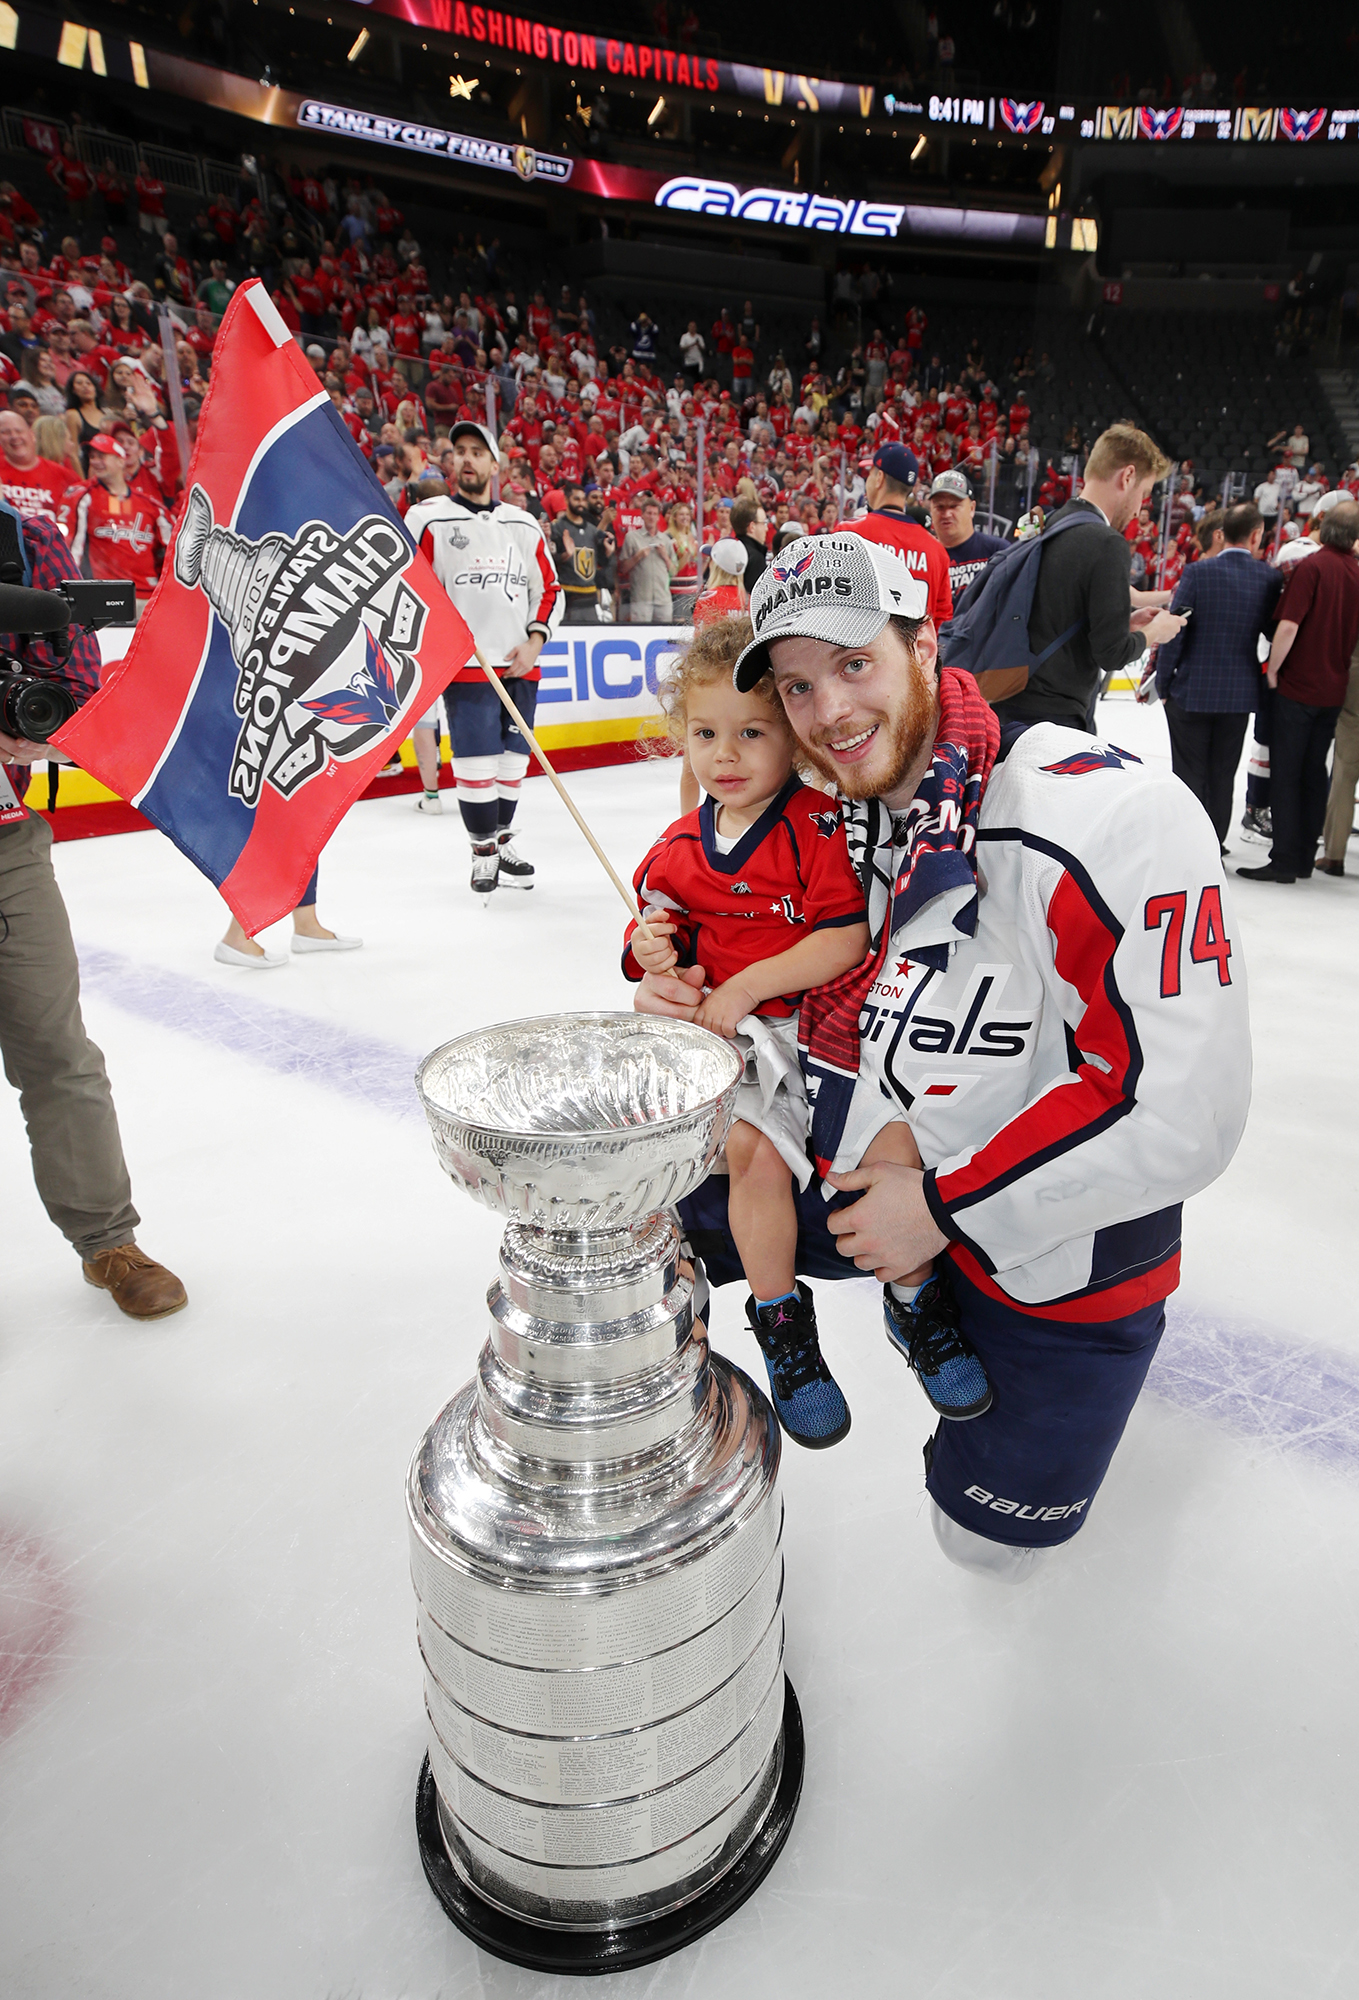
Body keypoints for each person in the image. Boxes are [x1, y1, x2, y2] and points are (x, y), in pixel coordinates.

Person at [636, 530, 1249, 1583]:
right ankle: (869, 1303)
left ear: (926, 644)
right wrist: (689, 979)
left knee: (986, 1543)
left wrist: (946, 1205)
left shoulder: (1111, 813)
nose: (826, 712)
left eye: (854, 663)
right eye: (795, 687)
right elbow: (805, 966)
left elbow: (1182, 1115)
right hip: (881, 1173)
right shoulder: (843, 818)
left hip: (1052, 1247)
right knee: (631, 1227)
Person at [625, 614, 988, 1446]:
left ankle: (913, 1300)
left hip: (825, 1023)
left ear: (792, 740)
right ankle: (783, 1324)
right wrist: (653, 955)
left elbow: (843, 938)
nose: (725, 755)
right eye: (705, 734)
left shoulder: (814, 828)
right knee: (750, 1158)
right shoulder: (678, 846)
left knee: (889, 1145)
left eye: (751, 733)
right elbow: (656, 932)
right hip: (741, 1041)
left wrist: (747, 983)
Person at [0, 501, 187, 1319]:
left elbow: (76, 686)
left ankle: (107, 1240)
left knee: (57, 1050)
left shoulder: (20, 535)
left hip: (5, 844)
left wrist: (42, 730)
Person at [404, 420, 561, 893]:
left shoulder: (523, 522)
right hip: (467, 666)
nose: (467, 459)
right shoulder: (428, 519)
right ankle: (482, 852)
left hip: (520, 662)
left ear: (495, 464)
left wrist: (535, 640)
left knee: (514, 761)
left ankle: (503, 840)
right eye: (460, 451)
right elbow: (411, 588)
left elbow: (549, 588)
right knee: (475, 761)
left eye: (477, 451)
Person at [993, 425, 1187, 734]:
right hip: (1055, 717)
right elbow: (1111, 654)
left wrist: (1125, 624)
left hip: (1009, 702)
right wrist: (1154, 632)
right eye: (1144, 494)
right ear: (1127, 477)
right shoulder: (1107, 543)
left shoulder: (1051, 522)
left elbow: (1059, 612)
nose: (1139, 509)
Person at [1239, 503, 1359, 885]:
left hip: (1299, 686)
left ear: (1323, 525)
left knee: (1287, 774)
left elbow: (1288, 627)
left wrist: (1273, 669)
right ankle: (1306, 854)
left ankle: (1285, 860)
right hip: (1333, 688)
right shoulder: (1356, 572)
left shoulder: (1313, 568)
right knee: (1313, 772)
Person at [1153, 503, 1283, 850]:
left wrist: (1164, 682)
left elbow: (1174, 630)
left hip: (1192, 689)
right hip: (1238, 693)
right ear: (1256, 535)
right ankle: (1213, 845)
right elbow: (1273, 632)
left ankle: (1187, 845)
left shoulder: (1197, 572)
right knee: (1222, 775)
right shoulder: (1269, 577)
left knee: (1189, 772)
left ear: (1221, 533)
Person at [842, 442, 952, 627]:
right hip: (916, 653)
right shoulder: (937, 551)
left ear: (879, 478)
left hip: (860, 651)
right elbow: (942, 622)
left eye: (870, 473)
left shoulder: (849, 534)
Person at [925, 470, 1007, 604]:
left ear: (972, 508)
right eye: (939, 507)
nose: (946, 514)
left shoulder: (998, 552)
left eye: (954, 506)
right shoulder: (923, 557)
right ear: (931, 511)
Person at [550, 482, 612, 625]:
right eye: (576, 499)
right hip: (568, 601)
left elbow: (601, 564)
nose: (581, 503)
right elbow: (552, 563)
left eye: (583, 499)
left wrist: (608, 553)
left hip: (590, 600)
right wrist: (566, 555)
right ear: (566, 500)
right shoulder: (558, 528)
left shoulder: (592, 530)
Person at [618, 497, 677, 624]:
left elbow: (674, 571)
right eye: (649, 513)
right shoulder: (632, 537)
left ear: (658, 517)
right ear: (642, 515)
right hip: (641, 600)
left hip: (663, 600)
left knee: (664, 638)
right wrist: (637, 556)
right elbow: (623, 568)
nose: (651, 517)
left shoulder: (666, 539)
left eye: (655, 514)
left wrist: (665, 556)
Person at [692, 538, 749, 626]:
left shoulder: (708, 600)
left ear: (714, 565)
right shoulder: (750, 600)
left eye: (711, 560)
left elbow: (700, 637)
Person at [730, 494, 769, 593]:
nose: (766, 528)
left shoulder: (729, 551)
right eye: (764, 523)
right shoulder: (755, 559)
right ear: (752, 527)